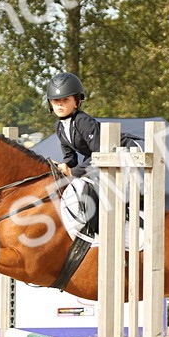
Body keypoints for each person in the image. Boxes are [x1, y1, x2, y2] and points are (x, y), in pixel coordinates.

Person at [46, 72, 101, 238]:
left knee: (85, 187)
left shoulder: (84, 121)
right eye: (56, 101)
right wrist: (59, 167)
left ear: (77, 102)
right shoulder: (60, 126)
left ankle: (97, 233)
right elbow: (70, 159)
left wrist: (74, 172)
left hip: (115, 158)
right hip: (93, 161)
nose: (60, 105)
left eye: (65, 100)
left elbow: (99, 153)